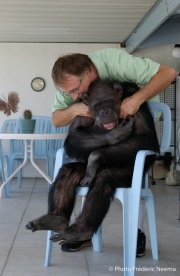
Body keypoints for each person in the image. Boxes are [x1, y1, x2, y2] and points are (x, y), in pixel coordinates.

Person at [51, 48, 177, 256]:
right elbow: (56, 119)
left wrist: (135, 101)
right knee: (88, 170)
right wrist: (74, 108)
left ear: (90, 72)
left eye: (76, 89)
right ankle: (85, 231)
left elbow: (169, 73)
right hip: (101, 136)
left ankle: (137, 233)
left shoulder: (116, 62)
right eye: (70, 93)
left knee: (131, 179)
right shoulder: (71, 83)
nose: (74, 95)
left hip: (135, 133)